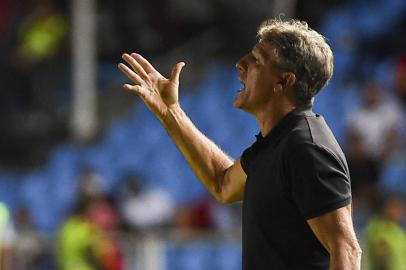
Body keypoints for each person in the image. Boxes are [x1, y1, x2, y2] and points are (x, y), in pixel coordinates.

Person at [118, 18, 361, 269]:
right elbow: (223, 184)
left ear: (284, 81)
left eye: (257, 59)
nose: (240, 64)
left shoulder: (307, 147)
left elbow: (346, 250)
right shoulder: (276, 142)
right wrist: (172, 113)